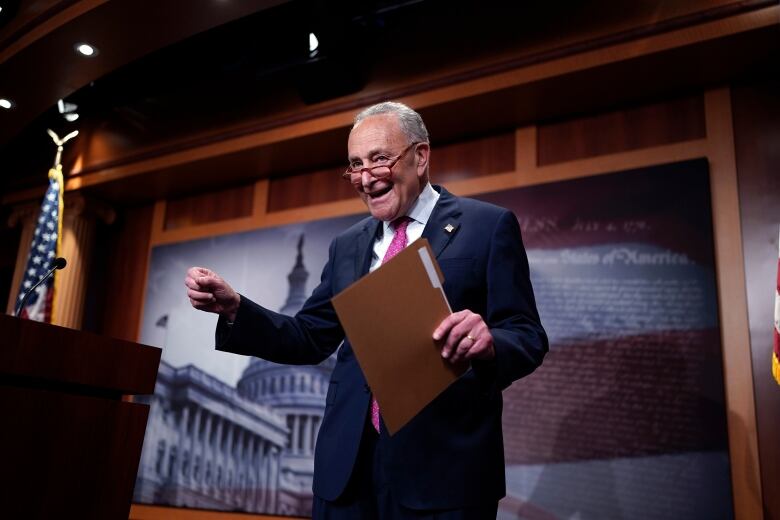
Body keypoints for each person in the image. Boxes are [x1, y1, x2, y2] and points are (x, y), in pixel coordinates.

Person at [185, 101, 548, 519]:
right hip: (348, 475)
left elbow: (527, 334)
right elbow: (308, 337)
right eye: (355, 165)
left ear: (421, 156)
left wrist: (490, 342)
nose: (365, 177)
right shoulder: (347, 245)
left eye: (379, 159)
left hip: (442, 471)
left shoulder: (487, 226)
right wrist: (235, 309)